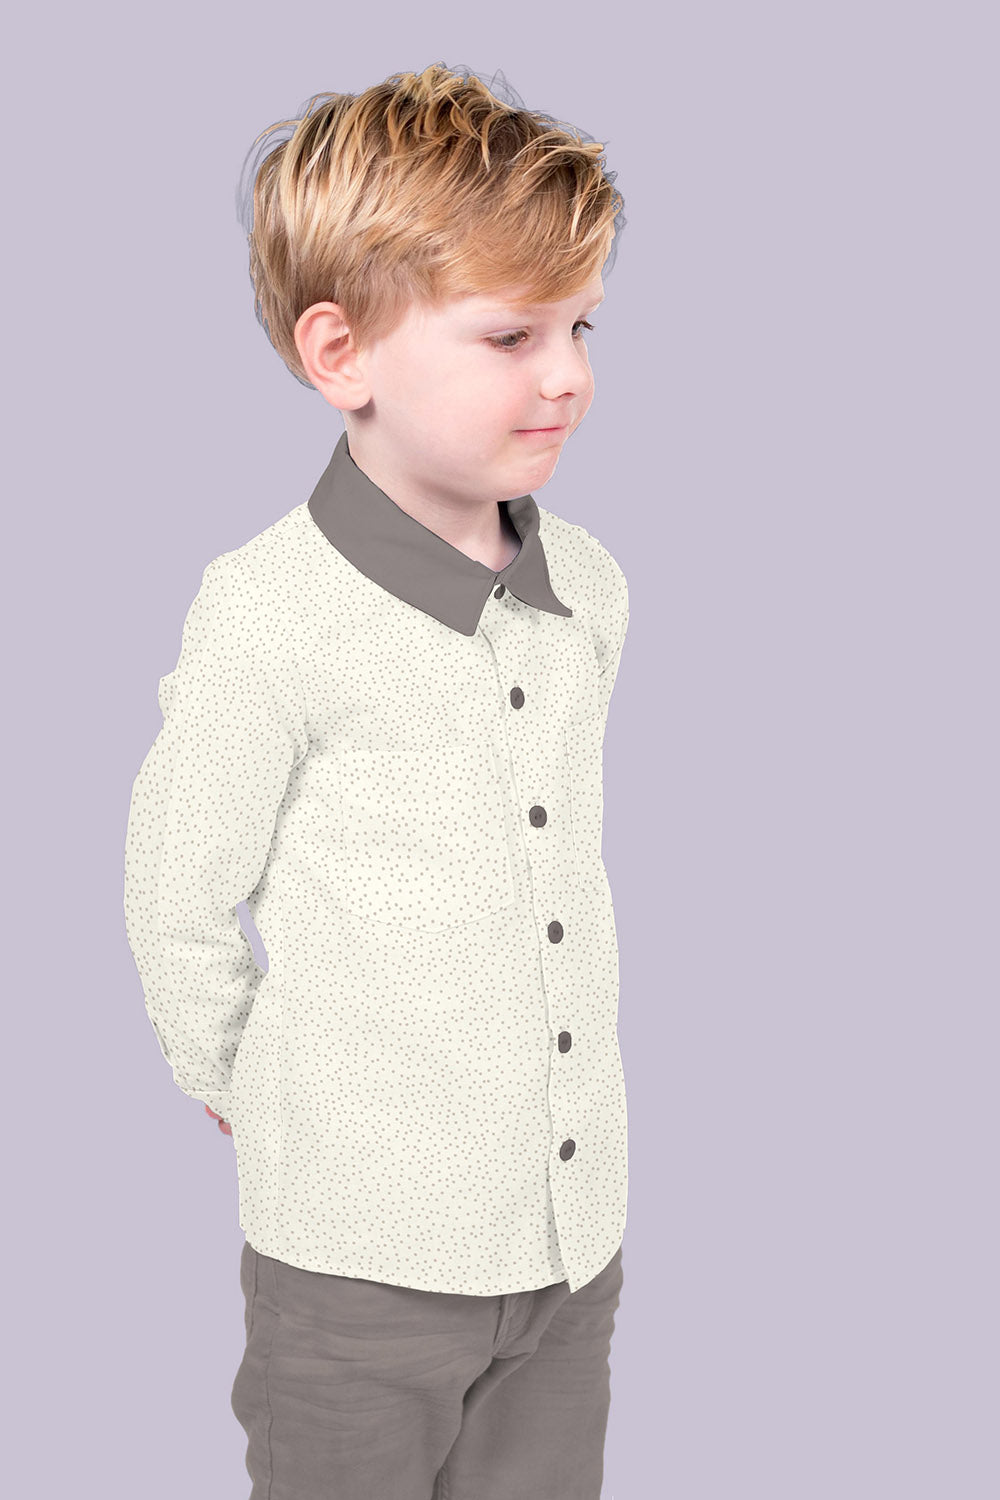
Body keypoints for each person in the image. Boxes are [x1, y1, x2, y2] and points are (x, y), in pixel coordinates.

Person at [123, 60, 631, 1500]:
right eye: (511, 334)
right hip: (356, 1268)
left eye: (581, 325)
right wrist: (247, 1079)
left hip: (569, 1244)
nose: (567, 373)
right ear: (340, 352)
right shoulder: (267, 613)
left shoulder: (589, 590)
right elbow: (176, 886)